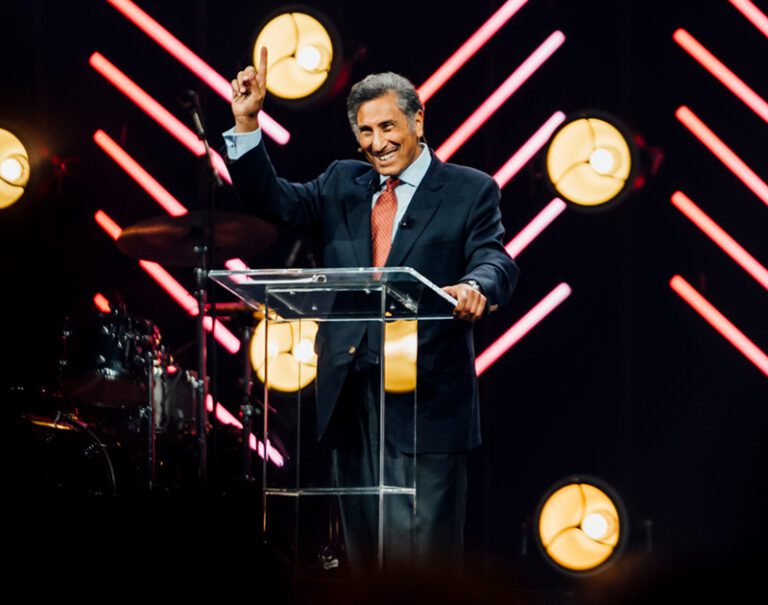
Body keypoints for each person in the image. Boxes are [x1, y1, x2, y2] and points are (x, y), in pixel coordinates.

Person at [224, 48, 519, 570]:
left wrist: (476, 287)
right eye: (365, 131)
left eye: (388, 126)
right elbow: (273, 202)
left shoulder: (469, 190)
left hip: (425, 397)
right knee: (363, 558)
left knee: (423, 561)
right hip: (350, 392)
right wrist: (247, 124)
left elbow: (493, 258)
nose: (377, 143)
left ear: (418, 118)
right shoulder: (341, 183)